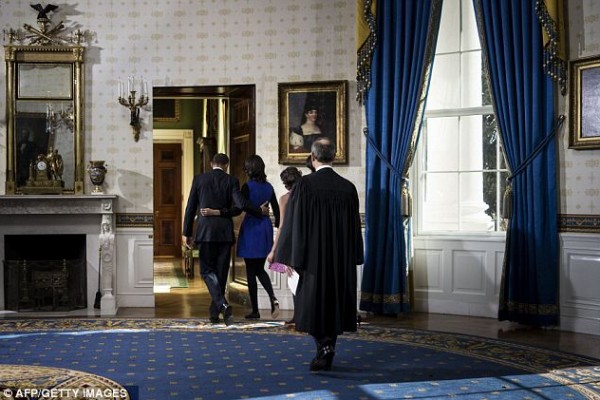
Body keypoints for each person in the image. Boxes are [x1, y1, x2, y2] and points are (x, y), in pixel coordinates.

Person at [275, 137, 364, 372]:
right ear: (333, 157)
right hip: (340, 258)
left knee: (311, 303)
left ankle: (324, 346)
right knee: (334, 303)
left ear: (313, 158)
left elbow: (294, 223)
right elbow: (355, 227)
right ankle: (327, 346)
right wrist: (355, 255)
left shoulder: (305, 185)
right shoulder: (348, 188)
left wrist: (290, 257)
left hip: (312, 258)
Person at [183, 153, 268, 325]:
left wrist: (187, 233)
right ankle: (215, 313)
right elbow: (240, 205)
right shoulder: (231, 181)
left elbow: (190, 207)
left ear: (211, 164)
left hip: (205, 232)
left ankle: (221, 304)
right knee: (221, 273)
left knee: (206, 271)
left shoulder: (199, 179)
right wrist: (259, 211)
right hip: (224, 233)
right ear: (226, 165)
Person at [237, 155, 281, 320]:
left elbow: (241, 206)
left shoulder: (247, 187)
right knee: (259, 269)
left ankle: (255, 310)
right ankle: (273, 298)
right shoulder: (269, 187)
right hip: (265, 228)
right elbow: (277, 213)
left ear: (250, 169)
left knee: (251, 271)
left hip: (251, 227)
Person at [267, 166, 303, 325]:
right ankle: (305, 316)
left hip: (291, 243)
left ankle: (298, 316)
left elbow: (281, 227)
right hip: (308, 242)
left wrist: (273, 250)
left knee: (293, 278)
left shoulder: (284, 199)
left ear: (286, 184)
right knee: (304, 280)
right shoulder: (308, 196)